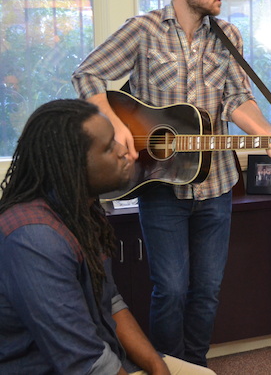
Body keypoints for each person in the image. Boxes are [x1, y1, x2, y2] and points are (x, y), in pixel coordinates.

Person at [72, 0, 271, 366]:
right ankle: (168, 365)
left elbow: (236, 101)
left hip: (217, 184)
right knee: (170, 289)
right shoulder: (143, 31)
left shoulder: (228, 36)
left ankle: (195, 364)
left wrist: (268, 134)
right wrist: (115, 126)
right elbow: (87, 74)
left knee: (207, 289)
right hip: (160, 185)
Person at [0, 99, 214, 374]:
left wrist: (158, 367)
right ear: (72, 164)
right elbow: (82, 361)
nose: (128, 152)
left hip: (106, 355)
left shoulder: (83, 211)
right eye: (109, 146)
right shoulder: (33, 238)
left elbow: (110, 301)